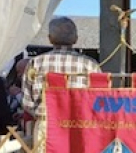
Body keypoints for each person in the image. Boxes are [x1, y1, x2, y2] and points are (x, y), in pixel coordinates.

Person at [22, 17, 101, 151]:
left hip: (46, 126)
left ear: (50, 38)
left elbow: (27, 103)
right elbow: (99, 100)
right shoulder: (90, 65)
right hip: (80, 126)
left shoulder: (36, 63)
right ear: (76, 39)